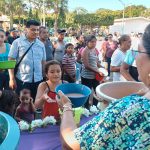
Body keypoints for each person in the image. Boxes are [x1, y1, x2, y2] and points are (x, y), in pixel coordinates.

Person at [58, 24, 150, 149]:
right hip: (89, 75)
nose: (135, 58)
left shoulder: (130, 107)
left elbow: (71, 143)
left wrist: (67, 106)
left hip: (95, 75)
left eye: (137, 51)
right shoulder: (85, 51)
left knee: (95, 96)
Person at [8, 20, 46, 99]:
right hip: (23, 81)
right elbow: (11, 61)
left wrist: (44, 77)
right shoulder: (17, 43)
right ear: (26, 29)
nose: (35, 32)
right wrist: (11, 78)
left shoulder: (41, 44)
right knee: (22, 105)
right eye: (33, 30)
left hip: (38, 80)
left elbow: (43, 62)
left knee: (35, 104)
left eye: (37, 30)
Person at [81, 35, 103, 108]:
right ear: (87, 42)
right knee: (87, 92)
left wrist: (101, 67)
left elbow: (96, 62)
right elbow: (86, 65)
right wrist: (97, 71)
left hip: (95, 75)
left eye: (95, 42)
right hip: (86, 76)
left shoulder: (94, 50)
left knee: (97, 91)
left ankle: (94, 107)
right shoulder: (85, 51)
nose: (94, 43)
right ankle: (86, 108)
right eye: (92, 42)